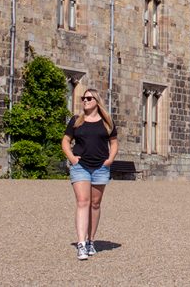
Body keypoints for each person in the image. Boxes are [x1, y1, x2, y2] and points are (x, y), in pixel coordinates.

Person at [61, 88, 118, 260]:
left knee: (95, 204)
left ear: (96, 101)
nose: (85, 100)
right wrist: (72, 158)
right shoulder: (76, 121)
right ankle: (81, 244)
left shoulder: (107, 122)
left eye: (88, 98)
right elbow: (65, 141)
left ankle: (91, 240)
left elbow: (114, 143)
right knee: (82, 202)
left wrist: (110, 159)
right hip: (81, 166)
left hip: (101, 167)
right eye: (83, 98)